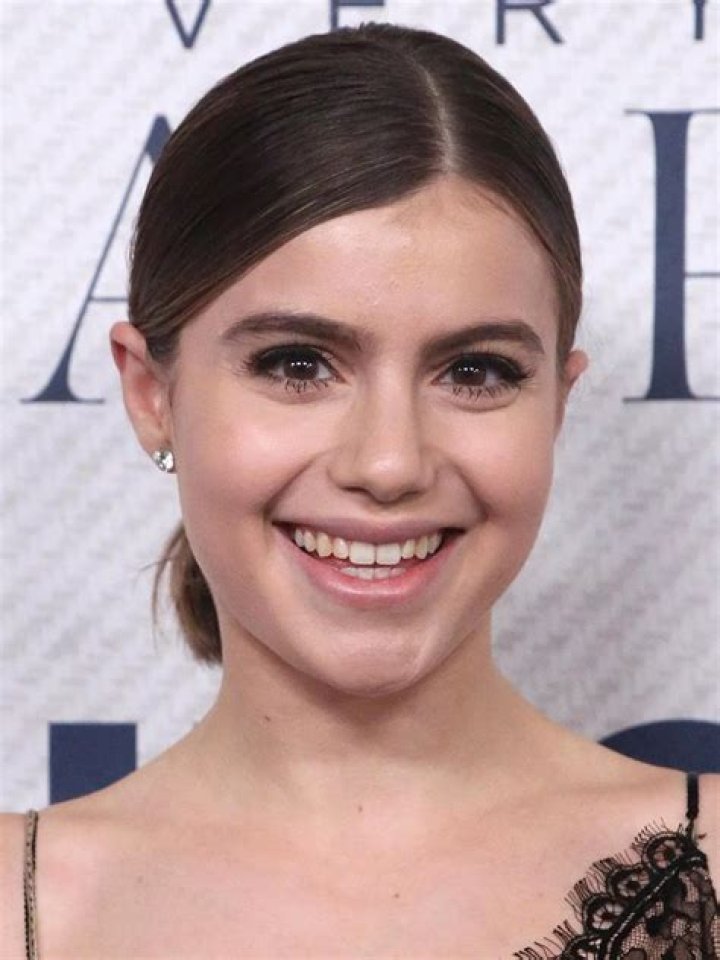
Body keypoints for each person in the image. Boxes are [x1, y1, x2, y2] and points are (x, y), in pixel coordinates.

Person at [1, 22, 718, 959]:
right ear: (152, 395)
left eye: (475, 372)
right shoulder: (20, 905)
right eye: (298, 364)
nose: (389, 464)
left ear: (556, 404)